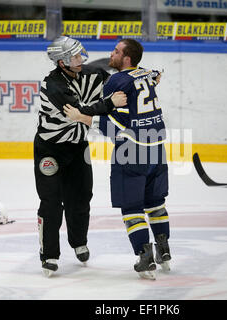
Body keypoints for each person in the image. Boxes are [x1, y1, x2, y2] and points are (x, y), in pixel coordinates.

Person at [63, 39, 171, 280]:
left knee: (132, 207)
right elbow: (154, 74)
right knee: (155, 202)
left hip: (132, 150)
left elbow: (113, 127)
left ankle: (145, 257)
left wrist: (81, 116)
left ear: (127, 59)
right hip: (157, 147)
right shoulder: (147, 74)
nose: (111, 54)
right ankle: (164, 250)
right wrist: (156, 76)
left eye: (116, 51)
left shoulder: (116, 81)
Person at [35, 36, 127, 277]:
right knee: (51, 203)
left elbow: (120, 84)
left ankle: (78, 241)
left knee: (82, 196)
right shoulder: (52, 85)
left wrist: (145, 80)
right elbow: (80, 112)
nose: (81, 59)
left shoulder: (91, 74)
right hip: (50, 149)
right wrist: (110, 102)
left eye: (79, 54)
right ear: (62, 61)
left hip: (77, 147)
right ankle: (49, 255)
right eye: (74, 56)